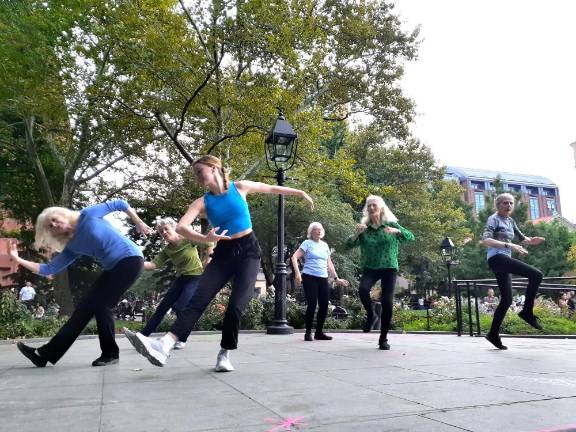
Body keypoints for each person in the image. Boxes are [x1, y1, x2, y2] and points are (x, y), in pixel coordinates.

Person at [125, 155, 314, 371]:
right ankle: (164, 345)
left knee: (235, 306)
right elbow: (181, 227)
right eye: (194, 174)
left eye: (199, 172)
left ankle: (225, 353)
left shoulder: (239, 187)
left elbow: (271, 188)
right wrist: (206, 239)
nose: (197, 177)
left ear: (213, 167)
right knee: (198, 299)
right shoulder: (202, 202)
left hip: (249, 252)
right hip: (223, 253)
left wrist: (300, 192)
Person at [10, 199, 151, 367]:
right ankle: (44, 354)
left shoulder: (87, 215)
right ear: (51, 233)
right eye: (50, 225)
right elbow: (49, 269)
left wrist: (139, 222)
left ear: (62, 214)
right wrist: (17, 259)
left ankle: (111, 353)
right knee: (83, 310)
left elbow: (120, 203)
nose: (54, 224)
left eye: (54, 218)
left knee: (101, 305)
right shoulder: (71, 247)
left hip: (131, 260)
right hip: (113, 268)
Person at [129, 217, 213, 350]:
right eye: (161, 231)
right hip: (181, 279)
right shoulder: (167, 250)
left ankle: (182, 338)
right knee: (162, 307)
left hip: (196, 277)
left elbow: (208, 243)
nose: (164, 233)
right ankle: (142, 336)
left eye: (166, 229)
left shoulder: (187, 239)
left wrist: (207, 260)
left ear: (174, 229)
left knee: (181, 307)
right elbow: (153, 264)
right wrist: (135, 263)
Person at [345, 195, 414, 350]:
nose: (371, 208)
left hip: (389, 267)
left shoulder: (390, 224)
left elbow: (411, 237)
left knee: (387, 302)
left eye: (374, 205)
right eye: (368, 206)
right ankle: (371, 314)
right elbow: (347, 245)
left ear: (381, 208)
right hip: (370, 267)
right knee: (362, 290)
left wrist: (397, 231)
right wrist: (356, 234)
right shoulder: (364, 228)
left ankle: (383, 338)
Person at [481, 193, 545, 350]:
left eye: (510, 203)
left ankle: (493, 334)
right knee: (536, 275)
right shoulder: (493, 219)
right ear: (498, 205)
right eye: (504, 203)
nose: (508, 205)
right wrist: (510, 246)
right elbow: (486, 240)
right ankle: (527, 312)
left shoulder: (510, 221)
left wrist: (532, 241)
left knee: (507, 300)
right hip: (497, 258)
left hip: (504, 260)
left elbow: (522, 238)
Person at [291, 222, 349, 342]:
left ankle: (319, 333)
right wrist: (297, 273)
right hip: (309, 277)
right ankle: (308, 333)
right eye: (315, 230)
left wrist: (337, 279)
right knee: (312, 305)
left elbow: (329, 264)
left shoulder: (324, 245)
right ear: (311, 232)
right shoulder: (307, 243)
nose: (318, 231)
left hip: (323, 278)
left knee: (324, 305)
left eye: (320, 230)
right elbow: (294, 257)